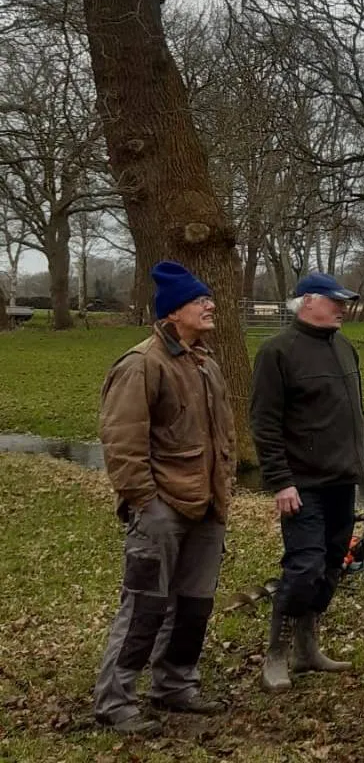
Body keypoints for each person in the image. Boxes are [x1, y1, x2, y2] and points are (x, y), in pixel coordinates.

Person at [95, 261, 235, 735]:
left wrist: (222, 496)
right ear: (175, 312)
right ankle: (114, 701)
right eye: (201, 301)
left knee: (195, 606)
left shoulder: (208, 364)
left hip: (207, 508)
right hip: (161, 511)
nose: (211, 306)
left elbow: (224, 438)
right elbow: (122, 442)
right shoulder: (141, 365)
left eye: (209, 298)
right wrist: (147, 503)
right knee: (144, 608)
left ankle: (175, 686)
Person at [251, 272, 364, 693]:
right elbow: (265, 425)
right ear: (308, 301)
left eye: (344, 301)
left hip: (342, 479)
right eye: (335, 301)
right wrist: (280, 482)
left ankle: (308, 649)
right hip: (301, 484)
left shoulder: (345, 348)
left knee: (329, 567)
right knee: (303, 567)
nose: (343, 308)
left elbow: (357, 413)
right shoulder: (277, 352)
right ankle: (276, 654)